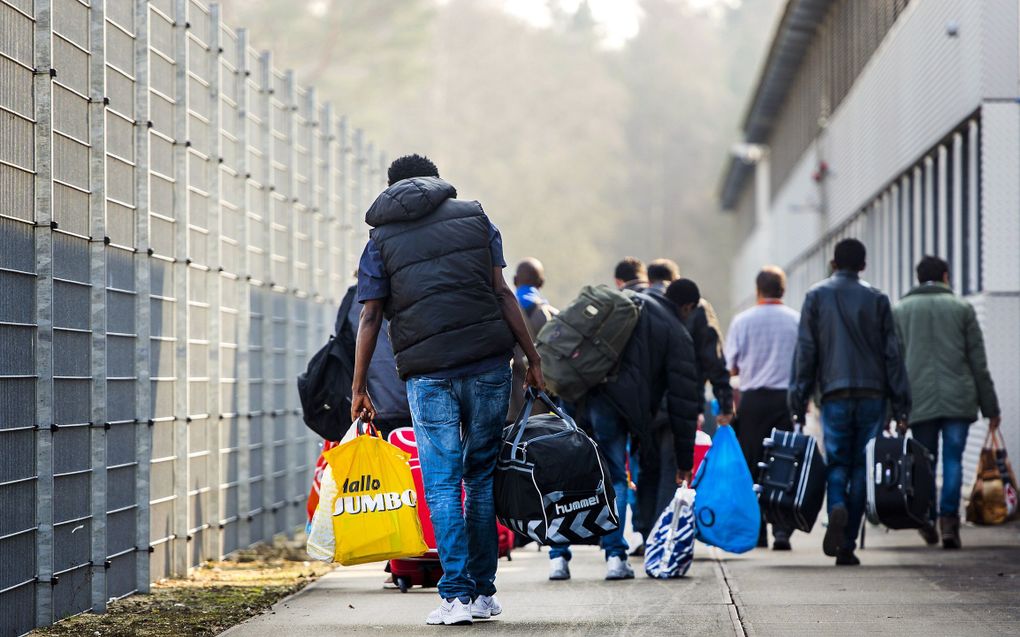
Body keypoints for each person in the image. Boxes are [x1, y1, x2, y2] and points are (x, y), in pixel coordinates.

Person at [350, 154, 544, 626]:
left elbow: (371, 314)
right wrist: (532, 358)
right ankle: (482, 594)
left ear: (393, 189)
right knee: (478, 478)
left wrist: (358, 386)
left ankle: (455, 596)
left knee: (441, 482)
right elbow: (501, 292)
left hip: (428, 371)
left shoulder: (381, 239)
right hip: (488, 363)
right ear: (436, 183)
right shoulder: (476, 218)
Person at [548, 275, 700, 582]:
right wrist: (685, 461)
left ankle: (558, 560)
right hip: (614, 407)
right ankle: (615, 558)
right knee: (615, 475)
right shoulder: (674, 330)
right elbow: (684, 403)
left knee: (569, 476)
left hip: (577, 392)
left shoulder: (630, 303)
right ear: (688, 307)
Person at [789, 238, 911, 567]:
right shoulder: (877, 299)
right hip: (873, 396)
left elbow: (806, 351)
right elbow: (893, 355)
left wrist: (798, 397)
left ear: (833, 263)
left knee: (838, 462)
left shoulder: (816, 296)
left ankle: (837, 508)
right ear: (863, 265)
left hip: (834, 394)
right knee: (862, 466)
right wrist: (901, 405)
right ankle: (847, 545)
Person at [893, 255, 1000, 549]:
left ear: (918, 278)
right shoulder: (962, 308)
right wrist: (990, 407)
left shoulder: (900, 310)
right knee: (953, 461)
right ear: (945, 276)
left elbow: (895, 363)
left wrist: (897, 407)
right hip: (959, 399)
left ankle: (927, 519)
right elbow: (978, 362)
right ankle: (950, 522)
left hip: (919, 399)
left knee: (925, 463)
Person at [724, 266, 800, 550]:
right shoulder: (796, 320)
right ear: (783, 289)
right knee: (783, 462)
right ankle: (781, 528)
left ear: (758, 290)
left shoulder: (743, 321)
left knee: (753, 464)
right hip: (785, 399)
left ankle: (757, 531)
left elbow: (730, 365)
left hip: (753, 400)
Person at [336, 281, 411, 438]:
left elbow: (343, 353)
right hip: (421, 402)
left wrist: (358, 391)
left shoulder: (355, 297)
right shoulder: (414, 287)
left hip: (373, 409)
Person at [509, 258, 557, 420]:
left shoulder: (502, 312)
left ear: (515, 281)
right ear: (541, 282)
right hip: (539, 399)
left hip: (509, 402)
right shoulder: (551, 315)